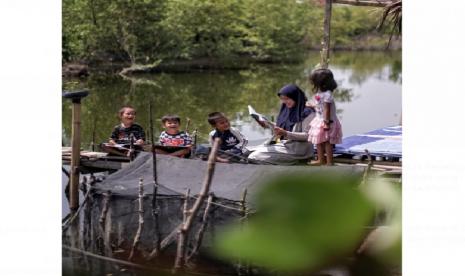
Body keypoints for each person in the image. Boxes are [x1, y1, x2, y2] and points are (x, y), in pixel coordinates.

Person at [247, 84, 315, 165]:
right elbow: (281, 127)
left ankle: (299, 161)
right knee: (246, 151)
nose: (284, 102)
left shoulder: (308, 112)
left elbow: (308, 136)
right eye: (282, 99)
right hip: (282, 144)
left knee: (254, 156)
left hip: (297, 149)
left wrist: (286, 133)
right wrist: (265, 123)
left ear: (295, 97)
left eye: (287, 99)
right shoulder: (287, 109)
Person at [306, 68, 343, 166]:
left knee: (327, 142)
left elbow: (327, 109)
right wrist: (313, 105)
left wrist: (326, 123)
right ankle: (320, 159)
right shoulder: (319, 93)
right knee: (318, 140)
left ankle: (329, 161)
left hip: (327, 121)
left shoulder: (327, 95)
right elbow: (320, 106)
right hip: (319, 119)